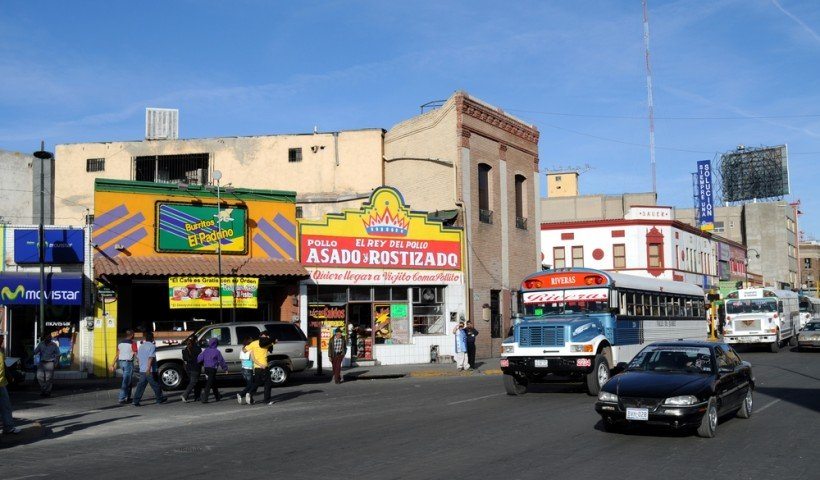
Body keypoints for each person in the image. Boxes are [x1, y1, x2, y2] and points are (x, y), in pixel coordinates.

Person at [132, 332, 168, 407]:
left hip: (142, 369)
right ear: (152, 338)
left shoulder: (141, 346)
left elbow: (138, 358)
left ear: (145, 339)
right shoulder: (152, 346)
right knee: (156, 385)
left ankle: (136, 401)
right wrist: (148, 368)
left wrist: (141, 366)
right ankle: (159, 399)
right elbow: (151, 357)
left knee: (141, 386)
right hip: (150, 370)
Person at [242, 332, 275, 405]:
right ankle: (266, 400)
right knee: (268, 383)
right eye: (266, 336)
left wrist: (252, 350)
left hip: (256, 367)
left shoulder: (253, 343)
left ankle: (250, 393)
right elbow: (273, 342)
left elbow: (244, 350)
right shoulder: (267, 343)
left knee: (257, 382)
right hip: (263, 366)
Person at [0, 331, 21, 434]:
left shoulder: (1, 352)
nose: (3, 340)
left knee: (6, 406)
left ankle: (8, 427)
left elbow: (4, 366)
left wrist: (10, 377)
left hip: (2, 384)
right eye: (1, 337)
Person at [110, 330, 138, 404]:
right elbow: (135, 354)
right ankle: (122, 398)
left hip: (121, 362)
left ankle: (127, 397)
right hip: (128, 363)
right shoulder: (133, 343)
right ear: (132, 335)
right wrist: (141, 362)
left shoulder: (120, 343)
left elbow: (117, 354)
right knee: (126, 381)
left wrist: (112, 364)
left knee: (129, 380)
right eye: (134, 334)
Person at [197, 338, 228, 403]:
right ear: (216, 344)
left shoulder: (206, 350)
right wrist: (225, 368)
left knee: (213, 382)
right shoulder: (217, 351)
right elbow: (221, 361)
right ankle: (205, 398)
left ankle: (217, 396)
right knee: (209, 383)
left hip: (206, 369)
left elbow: (199, 358)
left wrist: (202, 362)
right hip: (212, 369)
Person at [33, 332, 61, 397]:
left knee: (49, 378)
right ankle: (44, 388)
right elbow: (35, 351)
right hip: (42, 362)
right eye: (47, 337)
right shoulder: (41, 344)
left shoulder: (54, 345)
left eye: (49, 337)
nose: (48, 338)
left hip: (50, 362)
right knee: (39, 376)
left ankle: (47, 392)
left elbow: (58, 354)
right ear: (44, 337)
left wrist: (56, 363)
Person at [180, 337, 203, 403]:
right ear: (195, 341)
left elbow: (185, 359)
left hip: (188, 369)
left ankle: (197, 397)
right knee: (193, 382)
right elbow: (200, 359)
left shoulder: (185, 350)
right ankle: (185, 395)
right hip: (195, 368)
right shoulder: (198, 349)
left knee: (196, 382)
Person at [236, 337, 255, 404]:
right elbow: (253, 359)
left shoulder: (242, 350)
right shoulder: (251, 350)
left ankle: (250, 400)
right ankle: (241, 394)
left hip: (243, 369)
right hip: (249, 369)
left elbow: (241, 360)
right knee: (251, 385)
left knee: (249, 384)